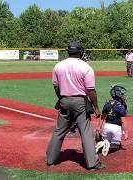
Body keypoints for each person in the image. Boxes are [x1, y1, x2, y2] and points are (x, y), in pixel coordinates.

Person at [46, 41, 104, 170]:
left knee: (59, 131)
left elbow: (56, 86)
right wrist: (95, 107)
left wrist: (61, 99)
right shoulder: (85, 67)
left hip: (64, 100)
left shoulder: (58, 66)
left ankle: (51, 159)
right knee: (86, 132)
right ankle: (92, 163)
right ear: (81, 52)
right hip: (80, 102)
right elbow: (90, 90)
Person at [95, 85, 128, 156]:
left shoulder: (107, 104)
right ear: (118, 95)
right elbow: (123, 121)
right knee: (116, 146)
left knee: (107, 140)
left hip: (106, 127)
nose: (123, 96)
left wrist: (98, 128)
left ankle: (103, 143)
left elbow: (102, 117)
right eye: (122, 94)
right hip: (116, 129)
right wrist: (126, 133)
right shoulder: (121, 106)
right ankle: (108, 145)